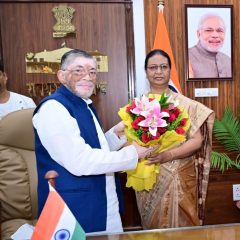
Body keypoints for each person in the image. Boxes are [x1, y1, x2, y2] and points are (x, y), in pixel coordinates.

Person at [32, 49, 155, 234]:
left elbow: (93, 148)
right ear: (62, 76)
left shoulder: (84, 104)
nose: (88, 77)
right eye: (79, 70)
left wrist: (116, 135)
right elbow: (80, 161)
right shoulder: (53, 109)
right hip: (75, 211)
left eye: (92, 71)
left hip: (102, 202)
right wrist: (133, 154)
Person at [136, 49, 215, 229]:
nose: (158, 72)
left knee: (183, 228)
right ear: (146, 71)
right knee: (153, 227)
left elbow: (197, 141)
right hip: (149, 176)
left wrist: (169, 155)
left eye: (163, 67)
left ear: (170, 70)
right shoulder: (136, 106)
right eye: (153, 67)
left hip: (179, 174)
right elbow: (128, 140)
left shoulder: (185, 105)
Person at [188, 13, 232, 78]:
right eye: (209, 30)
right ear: (198, 34)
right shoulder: (186, 57)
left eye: (220, 31)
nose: (215, 35)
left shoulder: (228, 60)